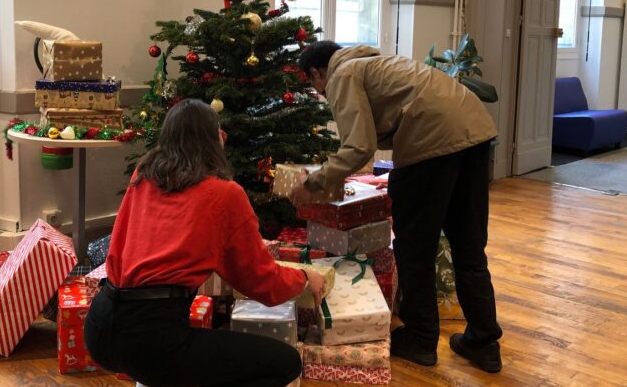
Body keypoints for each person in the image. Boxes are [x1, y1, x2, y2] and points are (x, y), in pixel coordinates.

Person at [290, 41, 504, 373]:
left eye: (314, 86)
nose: (319, 94)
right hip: (474, 129)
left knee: (415, 245)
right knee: (469, 244)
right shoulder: (375, 62)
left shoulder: (342, 74)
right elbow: (376, 134)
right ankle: (484, 342)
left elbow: (359, 147)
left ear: (318, 71)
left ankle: (420, 338)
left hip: (431, 140)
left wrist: (313, 183)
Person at [84, 99, 327, 387]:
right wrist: (303, 278)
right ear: (215, 139)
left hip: (99, 326)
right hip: (151, 339)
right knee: (285, 363)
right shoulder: (224, 194)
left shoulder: (144, 174)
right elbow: (259, 279)